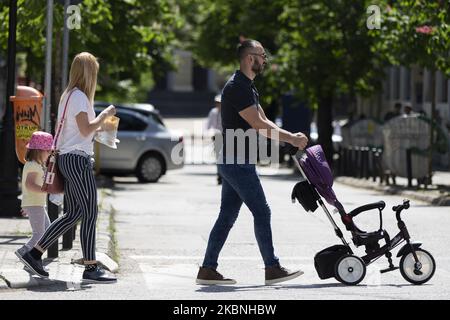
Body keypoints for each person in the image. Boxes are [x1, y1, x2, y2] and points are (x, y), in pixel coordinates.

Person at [196, 39, 308, 286]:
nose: (264, 60)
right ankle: (272, 267)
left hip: (236, 159)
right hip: (236, 161)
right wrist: (293, 137)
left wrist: (288, 139)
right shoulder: (237, 87)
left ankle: (207, 269)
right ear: (249, 58)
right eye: (261, 55)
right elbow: (258, 124)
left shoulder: (248, 86)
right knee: (262, 211)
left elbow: (266, 124)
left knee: (226, 216)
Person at [17, 52, 117, 283]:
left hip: (66, 158)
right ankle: (90, 267)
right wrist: (105, 114)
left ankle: (34, 253)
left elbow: (79, 130)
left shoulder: (68, 96)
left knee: (73, 213)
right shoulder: (80, 97)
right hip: (77, 160)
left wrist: (102, 131)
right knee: (90, 212)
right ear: (89, 73)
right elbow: (85, 130)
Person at [14, 131, 53, 260]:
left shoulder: (35, 165)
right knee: (40, 233)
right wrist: (45, 189)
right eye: (48, 151)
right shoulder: (33, 166)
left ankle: (33, 258)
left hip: (36, 204)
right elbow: (30, 185)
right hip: (35, 204)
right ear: (39, 151)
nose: (49, 154)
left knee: (47, 231)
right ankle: (24, 252)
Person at [206, 94, 223, 184]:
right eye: (217, 103)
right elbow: (209, 125)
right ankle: (219, 175)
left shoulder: (227, 112)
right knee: (218, 157)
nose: (218, 104)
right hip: (217, 136)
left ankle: (224, 175)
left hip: (226, 136)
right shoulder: (213, 112)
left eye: (220, 103)